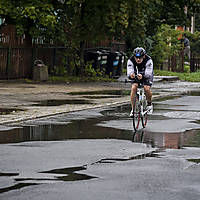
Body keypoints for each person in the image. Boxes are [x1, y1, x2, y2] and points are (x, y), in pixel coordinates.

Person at [127, 47, 154, 117]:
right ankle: (133, 110)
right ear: (134, 56)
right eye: (136, 57)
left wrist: (142, 76)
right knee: (134, 87)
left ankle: (149, 104)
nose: (138, 59)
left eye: (140, 57)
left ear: (144, 56)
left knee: (146, 88)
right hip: (136, 73)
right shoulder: (130, 60)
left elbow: (148, 74)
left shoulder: (149, 60)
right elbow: (129, 72)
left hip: (146, 74)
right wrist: (131, 75)